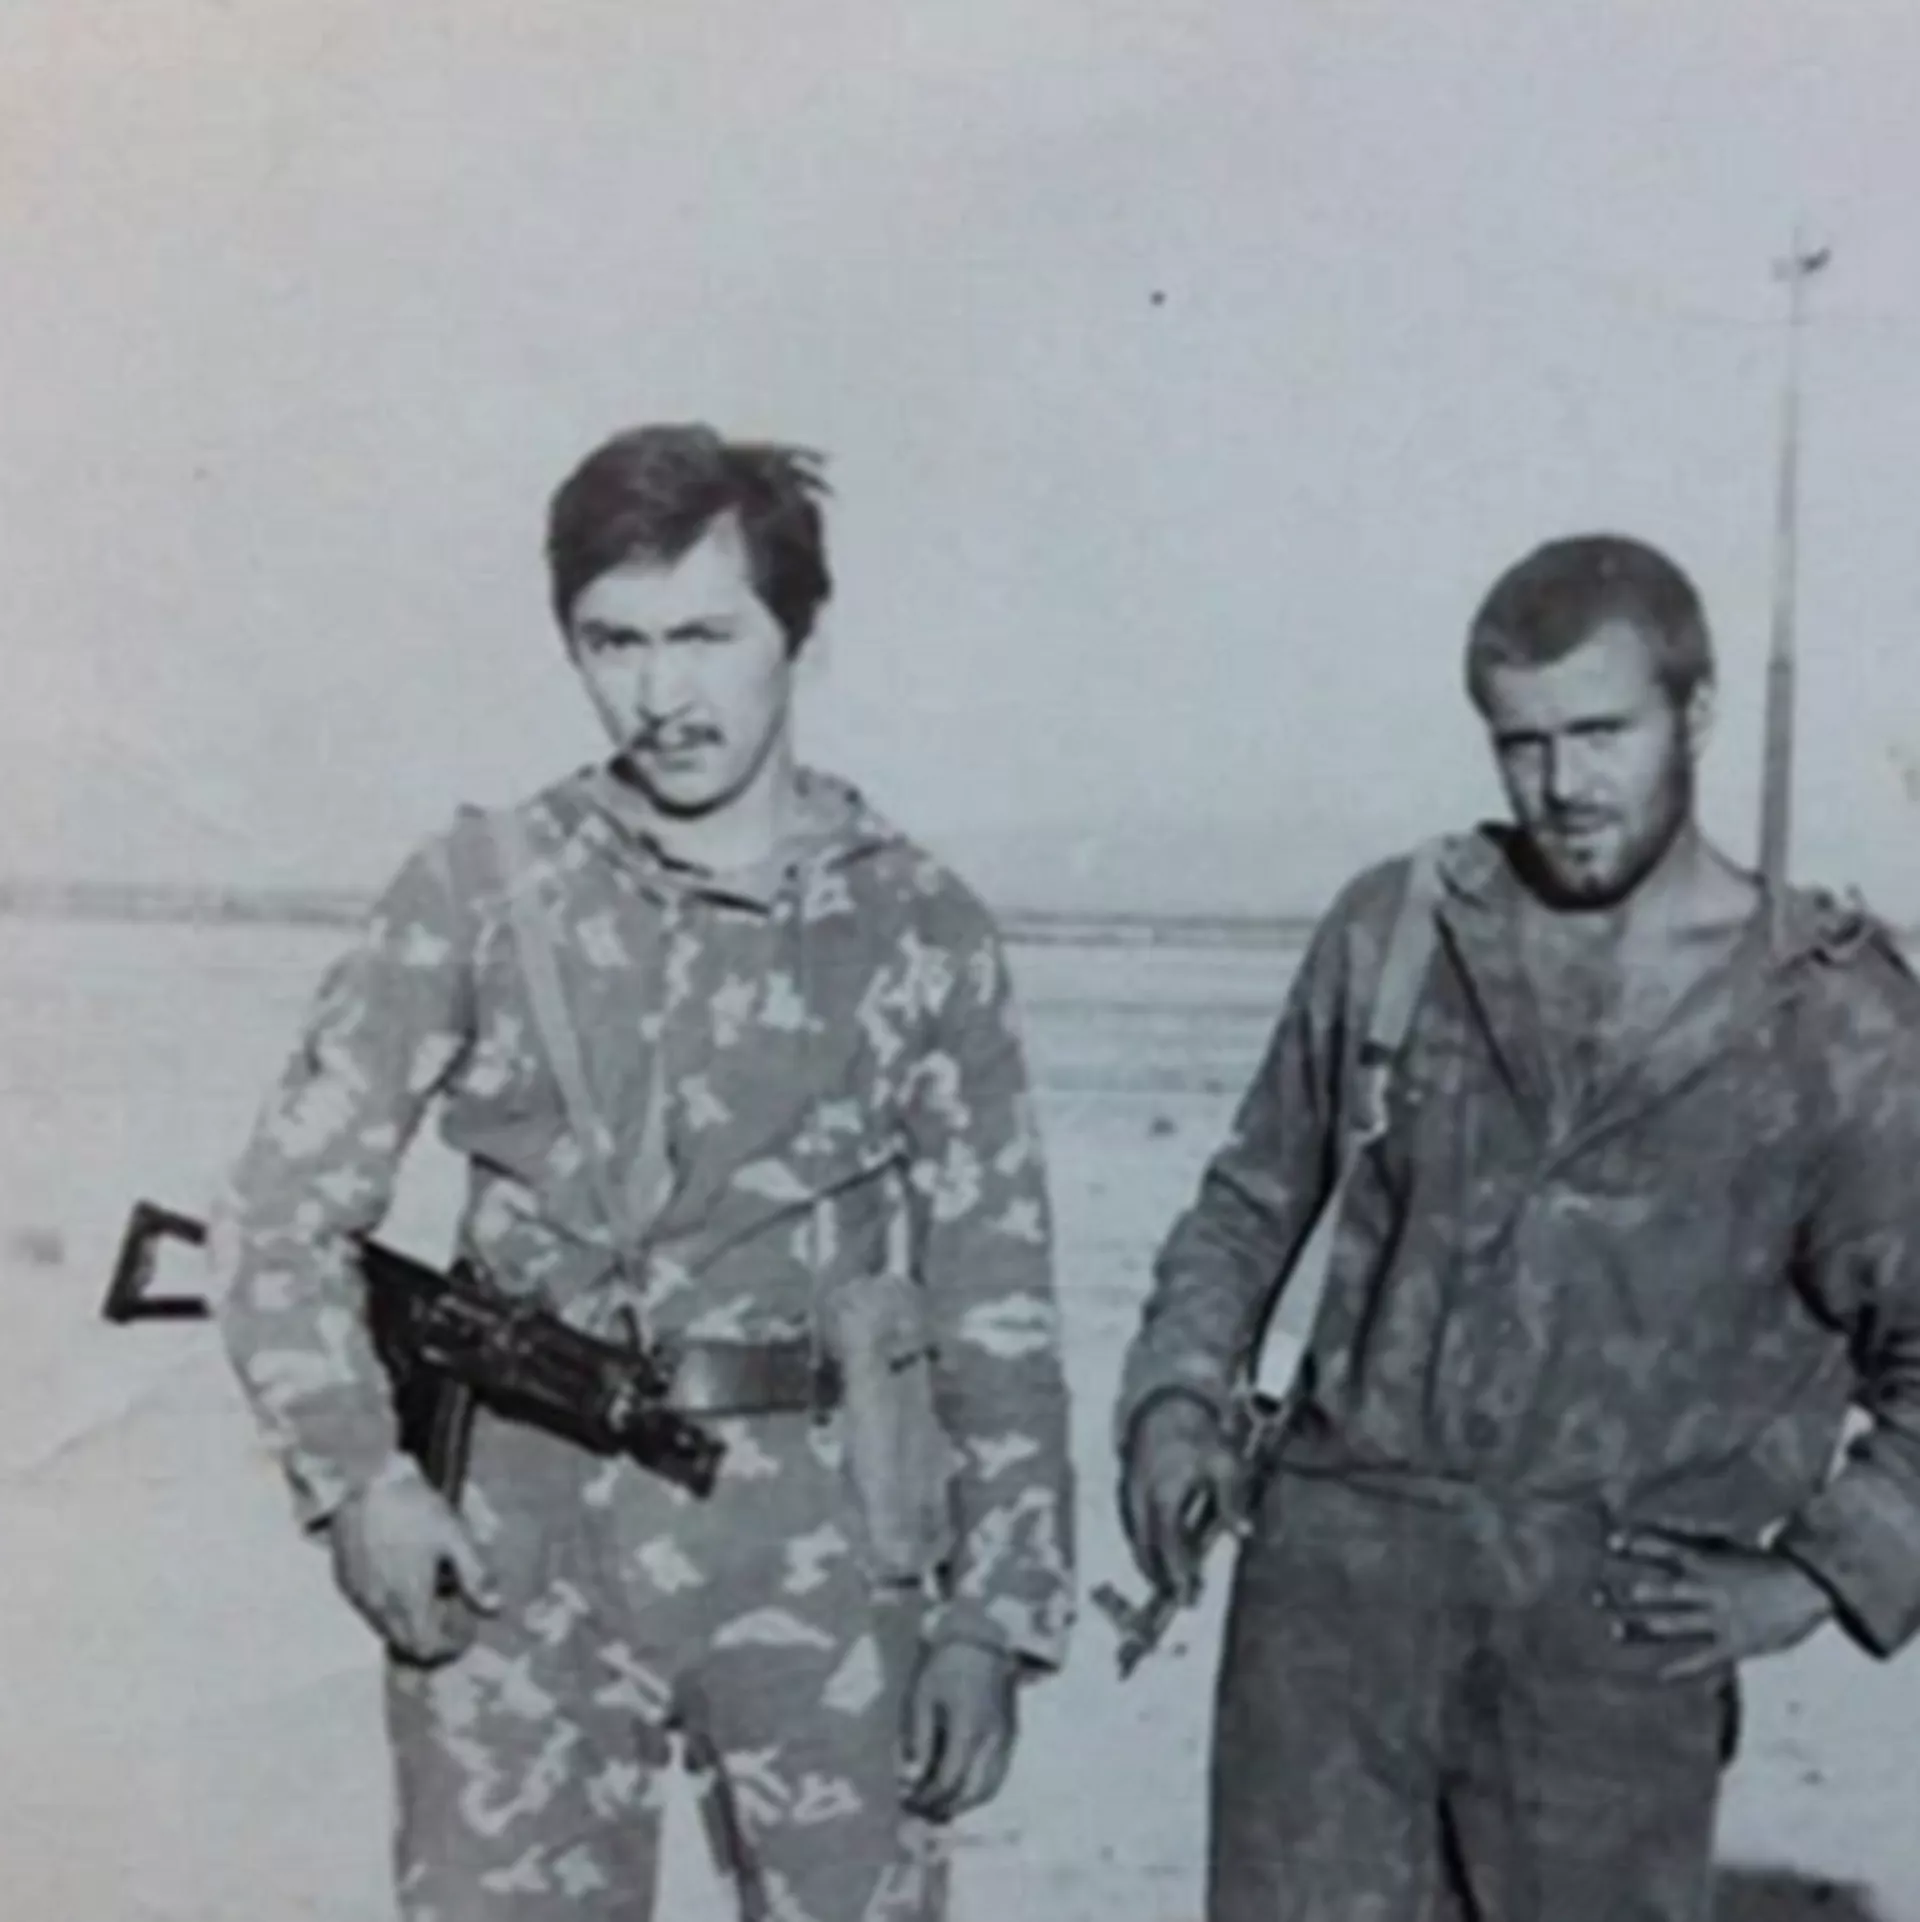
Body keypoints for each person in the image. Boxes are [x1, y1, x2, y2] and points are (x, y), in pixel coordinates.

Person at [212, 423, 1074, 1922]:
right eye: (615, 642)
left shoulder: (919, 927)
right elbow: (280, 1218)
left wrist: (994, 1616)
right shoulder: (480, 893)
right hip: (521, 1549)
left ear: (797, 633)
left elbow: (993, 1297)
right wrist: (358, 1483)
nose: (662, 694)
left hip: (822, 1547)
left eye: (705, 636)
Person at [1115, 533, 1920, 1922]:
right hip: (1331, 1619)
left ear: (1697, 713)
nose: (1564, 785)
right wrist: (1176, 1400)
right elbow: (1246, 1206)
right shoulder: (1404, 930)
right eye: (1523, 743)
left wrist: (1815, 1575)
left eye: (1602, 734)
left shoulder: (1831, 1018)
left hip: (1610, 1642)